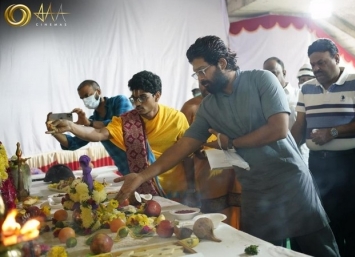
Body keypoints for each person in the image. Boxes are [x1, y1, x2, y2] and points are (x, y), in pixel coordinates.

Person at [112, 36, 339, 257]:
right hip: (255, 192)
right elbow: (185, 145)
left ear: (221, 63)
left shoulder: (261, 80)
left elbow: (278, 129)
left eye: (202, 70)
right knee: (258, 252)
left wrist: (231, 143)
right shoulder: (209, 106)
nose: (200, 79)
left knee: (318, 250)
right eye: (196, 73)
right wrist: (142, 177)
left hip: (290, 184)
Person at [291, 38, 355, 257]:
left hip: (351, 162)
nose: (316, 68)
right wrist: (287, 152)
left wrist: (333, 132)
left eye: (321, 62)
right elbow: (300, 126)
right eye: (313, 64)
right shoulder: (307, 88)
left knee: (354, 221)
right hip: (319, 163)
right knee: (326, 220)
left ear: (337, 58)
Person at [47, 71, 192, 202]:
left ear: (157, 96)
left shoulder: (176, 118)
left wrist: (193, 187)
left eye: (142, 97)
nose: (137, 103)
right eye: (134, 98)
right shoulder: (127, 120)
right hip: (143, 189)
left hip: (176, 189)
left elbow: (188, 154)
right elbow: (98, 134)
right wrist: (70, 127)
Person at [180, 82, 241, 229]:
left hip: (236, 171)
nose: (205, 87)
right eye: (202, 83)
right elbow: (183, 144)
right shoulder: (191, 107)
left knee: (237, 211)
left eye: (209, 83)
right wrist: (197, 150)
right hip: (207, 175)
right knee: (214, 217)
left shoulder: (235, 103)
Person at [46, 80, 133, 174]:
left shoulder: (119, 100)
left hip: (142, 160)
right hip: (124, 168)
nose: (85, 100)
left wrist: (89, 123)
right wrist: (54, 130)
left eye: (87, 95)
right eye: (82, 98)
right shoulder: (93, 119)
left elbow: (121, 124)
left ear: (98, 92)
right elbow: (72, 143)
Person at [263, 57, 309, 165]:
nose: (270, 78)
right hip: (274, 158)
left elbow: (305, 126)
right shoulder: (262, 101)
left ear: (284, 72)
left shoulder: (299, 95)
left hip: (300, 155)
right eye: (266, 74)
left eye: (274, 73)